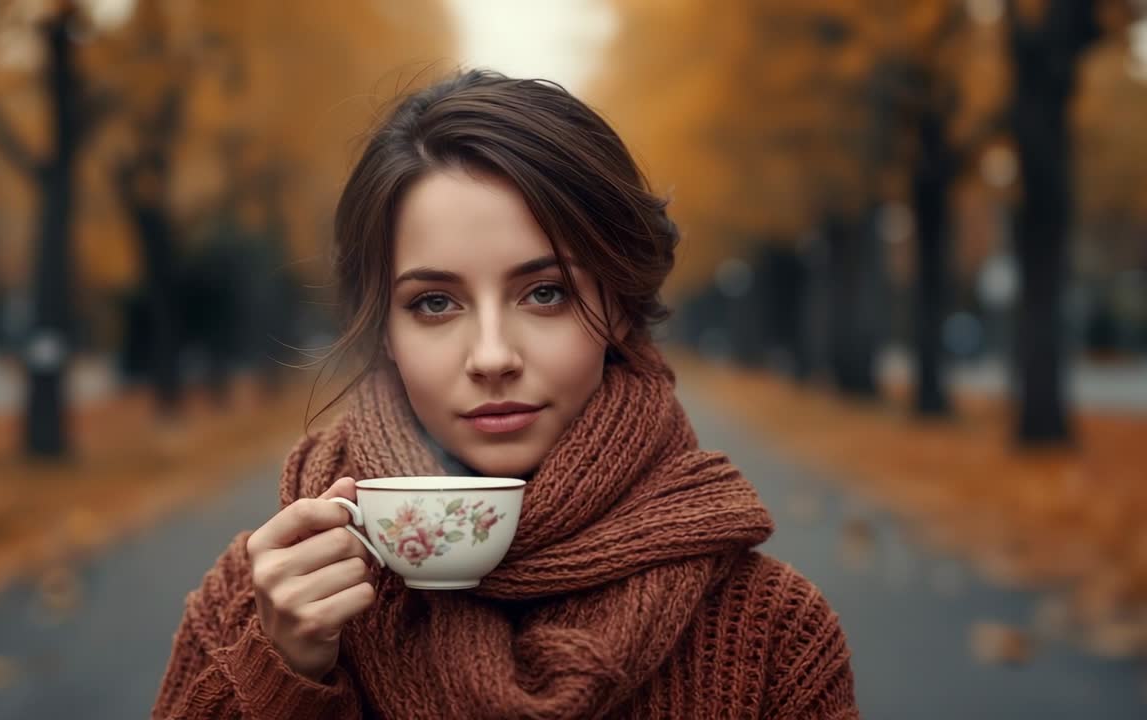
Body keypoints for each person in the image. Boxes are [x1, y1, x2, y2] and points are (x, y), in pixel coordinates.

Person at [152, 68, 858, 719]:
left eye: (545, 293)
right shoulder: (257, 603)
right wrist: (279, 677)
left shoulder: (773, 633)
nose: (492, 356)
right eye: (434, 303)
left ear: (617, 305)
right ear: (385, 331)